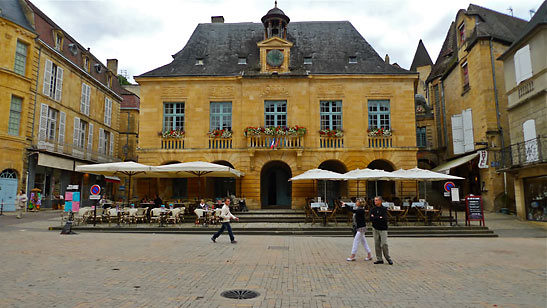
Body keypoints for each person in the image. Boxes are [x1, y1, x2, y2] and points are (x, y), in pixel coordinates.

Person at [370, 196, 393, 265]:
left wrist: (375, 217)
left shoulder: (384, 209)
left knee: (384, 244)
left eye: (376, 200)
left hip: (383, 229)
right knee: (377, 244)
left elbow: (384, 218)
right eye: (375, 200)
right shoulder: (373, 209)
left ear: (380, 201)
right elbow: (370, 218)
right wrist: (378, 217)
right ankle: (379, 258)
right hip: (375, 228)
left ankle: (388, 257)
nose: (375, 202)